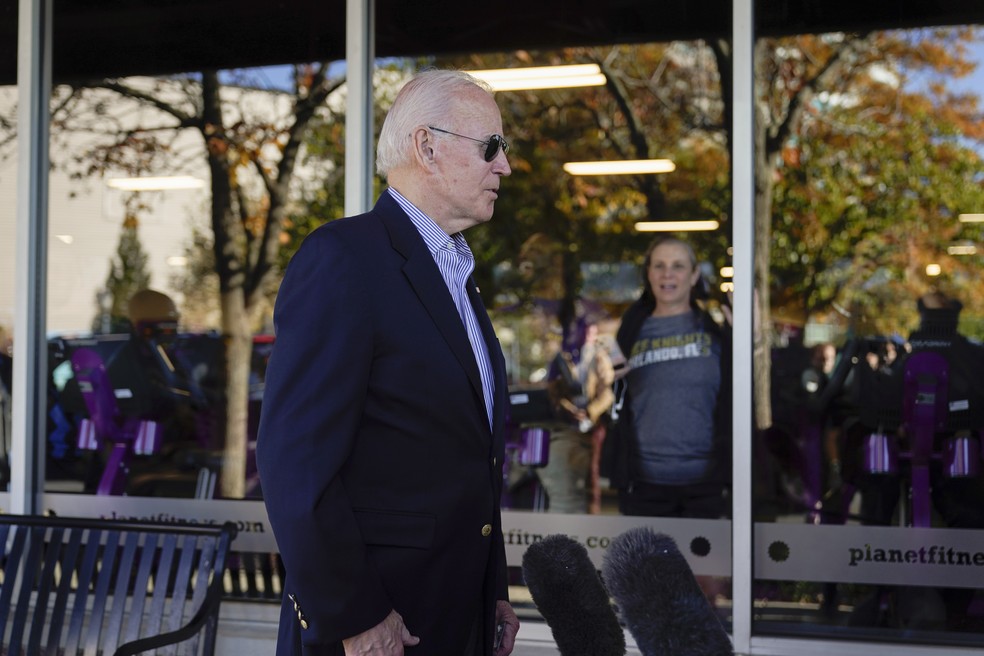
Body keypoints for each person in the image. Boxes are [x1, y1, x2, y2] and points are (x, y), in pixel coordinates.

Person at [256, 69, 519, 656]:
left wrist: (492, 589)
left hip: (455, 615)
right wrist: (355, 616)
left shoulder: (457, 276)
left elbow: (469, 454)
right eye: (491, 147)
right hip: (375, 629)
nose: (504, 166)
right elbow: (295, 464)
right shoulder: (344, 260)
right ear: (427, 147)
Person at [612, 236, 732, 518]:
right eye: (659, 265)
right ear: (649, 274)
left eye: (678, 266)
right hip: (643, 488)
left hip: (706, 487)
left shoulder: (716, 333)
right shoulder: (630, 331)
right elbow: (614, 396)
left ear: (694, 276)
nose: (668, 274)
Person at [538, 321, 615, 514]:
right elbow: (552, 390)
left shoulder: (599, 357)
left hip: (592, 424)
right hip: (567, 426)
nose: (590, 334)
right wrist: (568, 409)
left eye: (592, 330)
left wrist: (590, 412)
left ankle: (591, 519)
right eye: (586, 330)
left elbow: (607, 392)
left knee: (592, 475)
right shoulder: (562, 357)